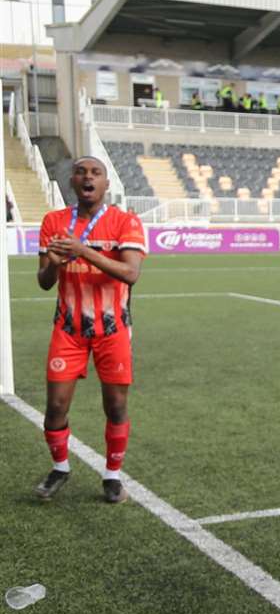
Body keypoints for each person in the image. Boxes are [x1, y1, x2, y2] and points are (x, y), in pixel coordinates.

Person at [33, 156, 147, 505]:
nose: (88, 177)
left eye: (95, 173)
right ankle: (60, 467)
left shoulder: (125, 221)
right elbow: (43, 282)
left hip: (112, 329)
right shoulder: (54, 221)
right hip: (68, 329)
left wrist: (83, 251)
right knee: (55, 406)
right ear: (72, 181)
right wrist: (53, 263)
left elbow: (130, 273)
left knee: (115, 406)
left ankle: (112, 477)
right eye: (81, 172)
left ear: (105, 184)